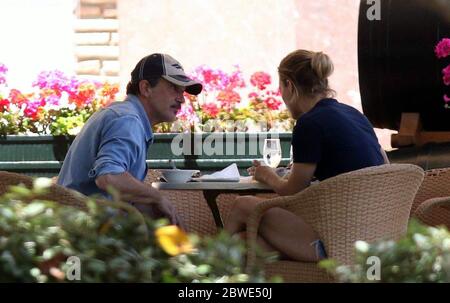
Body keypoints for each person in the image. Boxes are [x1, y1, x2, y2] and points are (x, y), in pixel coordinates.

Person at [224, 49, 389, 262]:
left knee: (242, 205)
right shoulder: (354, 115)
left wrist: (267, 175)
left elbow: (292, 190)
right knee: (243, 242)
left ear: (289, 86)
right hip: (374, 239)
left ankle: (203, 271)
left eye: (280, 86)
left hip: (335, 244)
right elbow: (383, 165)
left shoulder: (309, 124)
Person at [57, 53, 202, 226]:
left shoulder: (125, 115)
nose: (182, 99)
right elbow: (109, 177)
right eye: (173, 88)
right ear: (146, 88)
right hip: (86, 235)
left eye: (182, 91)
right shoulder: (128, 121)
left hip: (78, 223)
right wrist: (156, 196)